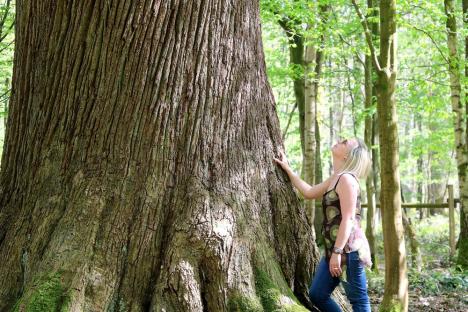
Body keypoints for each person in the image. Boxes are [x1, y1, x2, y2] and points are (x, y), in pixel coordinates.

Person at [274, 138, 372, 312]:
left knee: (358, 300)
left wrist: (338, 252)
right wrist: (287, 169)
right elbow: (309, 192)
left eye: (345, 141)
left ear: (348, 154)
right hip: (334, 247)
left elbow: (348, 219)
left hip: (350, 249)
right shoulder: (336, 178)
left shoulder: (347, 180)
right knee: (317, 294)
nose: (340, 140)